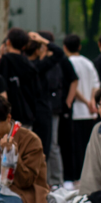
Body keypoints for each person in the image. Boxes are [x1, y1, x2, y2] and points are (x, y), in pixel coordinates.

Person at [42, 31, 78, 188]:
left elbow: (74, 79)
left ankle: (57, 180)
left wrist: (69, 101)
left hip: (56, 107)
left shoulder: (60, 60)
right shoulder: (39, 60)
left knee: (54, 144)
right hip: (41, 107)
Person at [64, 33, 101, 183]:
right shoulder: (88, 63)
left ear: (65, 47)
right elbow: (95, 85)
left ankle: (77, 178)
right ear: (79, 46)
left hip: (76, 112)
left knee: (76, 148)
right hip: (90, 113)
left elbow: (72, 84)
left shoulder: (67, 63)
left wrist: (86, 101)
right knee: (88, 147)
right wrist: (92, 101)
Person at [24, 32, 65, 162]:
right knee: (43, 147)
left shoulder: (19, 65)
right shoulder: (40, 66)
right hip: (42, 109)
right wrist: (43, 40)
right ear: (38, 50)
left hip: (26, 109)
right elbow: (59, 53)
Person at [0, 28, 39, 129]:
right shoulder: (30, 65)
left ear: (8, 42)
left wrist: (0, 56)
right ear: (24, 46)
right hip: (28, 114)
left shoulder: (5, 61)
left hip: (8, 116)